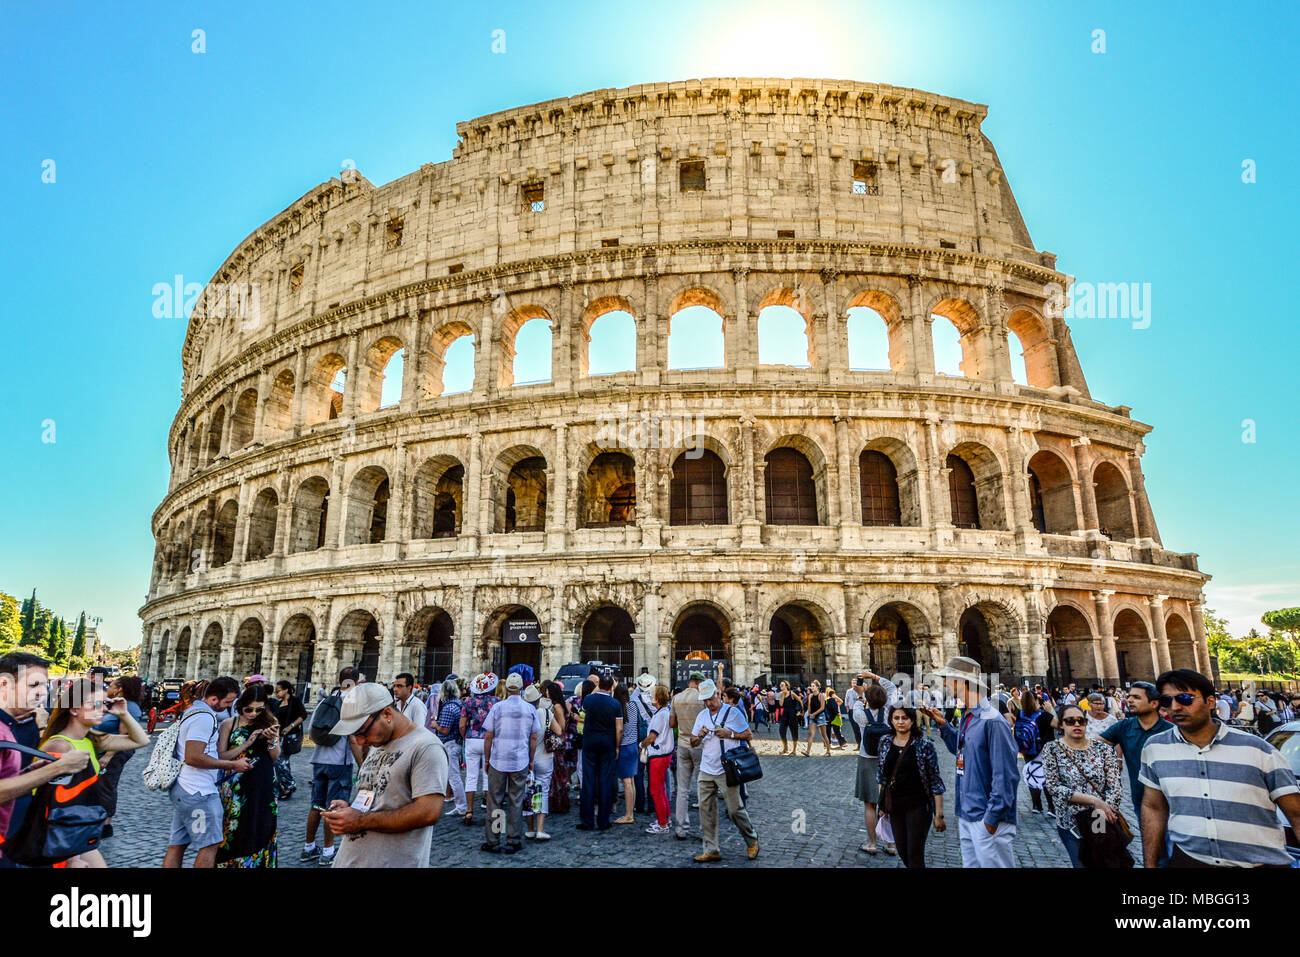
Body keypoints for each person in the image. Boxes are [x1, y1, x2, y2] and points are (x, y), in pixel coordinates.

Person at [1140, 668, 1300, 868]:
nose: (1175, 707)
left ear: (1210, 702)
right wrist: (1150, 865)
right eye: (1167, 701)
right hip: (1190, 861)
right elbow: (1153, 808)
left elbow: (1296, 813)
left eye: (1185, 698)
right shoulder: (1155, 748)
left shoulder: (1257, 748)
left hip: (1260, 864)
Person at [322, 682, 449, 868]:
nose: (359, 741)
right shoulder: (379, 742)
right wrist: (351, 808)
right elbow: (382, 799)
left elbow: (428, 812)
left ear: (387, 714)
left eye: (362, 732)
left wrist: (360, 820)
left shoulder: (426, 747)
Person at [33, 678, 149, 867]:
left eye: (104, 704)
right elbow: (52, 802)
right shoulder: (60, 745)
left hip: (77, 833)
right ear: (74, 709)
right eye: (95, 704)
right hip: (58, 837)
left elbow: (141, 741)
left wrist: (124, 714)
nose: (103, 709)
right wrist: (72, 857)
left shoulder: (91, 739)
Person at [923, 656, 1019, 868]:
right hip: (967, 812)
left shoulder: (993, 720)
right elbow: (960, 753)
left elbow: (1006, 775)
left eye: (947, 678)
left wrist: (991, 820)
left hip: (986, 816)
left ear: (961, 681)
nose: (945, 683)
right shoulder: (968, 716)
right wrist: (944, 726)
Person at [0, 654, 93, 863]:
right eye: (34, 685)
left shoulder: (16, 723)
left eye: (45, 685)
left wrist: (33, 771)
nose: (42, 693)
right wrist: (56, 769)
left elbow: (6, 776)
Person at [164, 676, 251, 868]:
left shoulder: (191, 711)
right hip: (199, 792)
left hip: (184, 788)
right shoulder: (204, 717)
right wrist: (231, 765)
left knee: (177, 845)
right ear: (214, 699)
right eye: (227, 702)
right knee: (210, 844)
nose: (229, 706)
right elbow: (193, 756)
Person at [1039, 703, 1125, 867]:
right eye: (1070, 721)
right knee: (1081, 864)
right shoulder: (1052, 749)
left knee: (1104, 863)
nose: (1077, 724)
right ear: (1061, 724)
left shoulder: (1103, 749)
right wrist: (1093, 801)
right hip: (1071, 822)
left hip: (1100, 817)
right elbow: (1053, 786)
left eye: (1081, 720)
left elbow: (1115, 785)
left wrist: (1105, 808)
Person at [689, 679, 759, 862]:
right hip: (706, 769)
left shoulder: (733, 712)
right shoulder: (702, 716)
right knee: (706, 810)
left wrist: (731, 734)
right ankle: (711, 848)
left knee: (735, 810)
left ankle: (752, 839)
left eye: (710, 699)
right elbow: (693, 742)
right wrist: (700, 736)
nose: (708, 703)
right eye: (704, 700)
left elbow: (748, 735)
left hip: (726, 769)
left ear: (717, 694)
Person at [1099, 680, 1171, 853]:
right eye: (1129, 696)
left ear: (1154, 703)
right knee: (1155, 850)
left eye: (1136, 697)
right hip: (1143, 800)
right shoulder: (1124, 727)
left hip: (1173, 800)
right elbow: (1094, 746)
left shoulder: (1171, 730)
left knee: (1176, 850)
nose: (1129, 700)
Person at [215, 683, 281, 867]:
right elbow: (222, 755)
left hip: (263, 783)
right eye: (248, 709)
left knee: (261, 825)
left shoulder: (270, 722)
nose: (253, 714)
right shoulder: (230, 723)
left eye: (259, 710)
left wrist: (272, 740)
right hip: (235, 783)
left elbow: (275, 756)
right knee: (234, 826)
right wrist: (247, 744)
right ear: (241, 705)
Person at [301, 667, 362, 867]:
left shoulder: (325, 701)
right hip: (340, 762)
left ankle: (308, 847)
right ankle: (328, 851)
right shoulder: (350, 703)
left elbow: (312, 731)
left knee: (316, 805)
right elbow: (353, 739)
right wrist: (362, 764)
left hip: (319, 760)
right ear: (356, 682)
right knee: (334, 806)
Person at [877, 705, 946, 868]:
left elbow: (935, 780)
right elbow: (881, 775)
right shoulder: (885, 741)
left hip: (918, 806)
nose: (900, 722)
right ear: (891, 720)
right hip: (895, 806)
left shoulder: (924, 745)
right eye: (896, 718)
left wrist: (939, 815)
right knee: (902, 850)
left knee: (914, 853)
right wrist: (882, 803)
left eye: (904, 718)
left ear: (912, 720)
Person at [480, 672, 542, 854]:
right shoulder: (530, 709)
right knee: (516, 800)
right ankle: (513, 839)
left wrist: (487, 758)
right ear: (522, 688)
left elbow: (488, 736)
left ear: (507, 688)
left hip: (498, 759)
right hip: (520, 759)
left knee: (495, 800)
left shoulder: (497, 708)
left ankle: (493, 840)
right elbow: (533, 737)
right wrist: (531, 760)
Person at [91, 674, 145, 837]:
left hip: (114, 752)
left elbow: (124, 734)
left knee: (107, 785)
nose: (109, 688)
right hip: (109, 749)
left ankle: (106, 825)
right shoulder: (122, 704)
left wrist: (108, 756)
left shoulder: (127, 707)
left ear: (119, 689)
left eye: (112, 686)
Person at [851, 671, 898, 854]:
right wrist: (873, 676)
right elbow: (892, 687)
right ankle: (891, 844)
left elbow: (857, 699)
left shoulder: (860, 714)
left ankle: (871, 843)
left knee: (870, 804)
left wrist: (860, 692)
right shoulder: (889, 710)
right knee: (888, 800)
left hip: (867, 760)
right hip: (888, 760)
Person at [578, 672, 623, 831]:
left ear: (599, 686)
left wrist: (596, 688)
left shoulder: (590, 699)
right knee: (605, 781)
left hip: (590, 742)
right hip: (608, 743)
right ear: (611, 687)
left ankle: (587, 820)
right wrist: (617, 746)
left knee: (588, 781)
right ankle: (604, 820)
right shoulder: (615, 704)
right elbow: (619, 729)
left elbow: (583, 707)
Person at [524, 681, 565, 840]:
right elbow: (559, 730)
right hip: (545, 757)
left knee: (528, 792)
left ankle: (529, 828)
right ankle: (541, 829)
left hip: (527, 758)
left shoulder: (523, 713)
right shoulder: (545, 712)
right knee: (543, 791)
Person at [670, 670, 707, 838]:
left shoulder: (676, 698)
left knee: (683, 790)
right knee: (703, 789)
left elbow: (672, 723)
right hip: (699, 745)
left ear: (689, 681)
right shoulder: (702, 698)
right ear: (699, 683)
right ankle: (703, 829)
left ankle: (681, 829)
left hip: (683, 745)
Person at [459, 672, 498, 825]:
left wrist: (465, 736)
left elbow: (462, 724)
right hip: (490, 740)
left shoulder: (468, 702)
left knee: (471, 776)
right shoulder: (496, 701)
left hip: (472, 739)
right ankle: (489, 811)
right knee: (488, 776)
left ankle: (469, 811)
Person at [432, 678, 468, 821]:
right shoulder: (458, 704)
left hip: (450, 743)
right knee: (454, 776)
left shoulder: (448, 707)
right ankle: (461, 805)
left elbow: (445, 730)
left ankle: (462, 806)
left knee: (454, 777)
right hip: (456, 742)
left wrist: (435, 725)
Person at [640, 684, 674, 834]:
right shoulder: (663, 712)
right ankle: (665, 818)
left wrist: (642, 744)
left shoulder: (661, 715)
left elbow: (653, 736)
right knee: (661, 789)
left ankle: (662, 824)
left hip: (659, 755)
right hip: (663, 754)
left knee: (656, 790)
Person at [271, 680, 306, 800]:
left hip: (290, 736)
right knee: (278, 762)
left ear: (286, 690)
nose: (276, 693)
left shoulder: (294, 701)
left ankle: (289, 785)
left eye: (278, 691)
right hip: (279, 736)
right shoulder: (278, 703)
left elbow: (303, 715)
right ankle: (284, 786)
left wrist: (290, 726)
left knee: (281, 761)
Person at [613, 682, 639, 824]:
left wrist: (616, 746)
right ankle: (630, 811)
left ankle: (629, 815)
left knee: (627, 782)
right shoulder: (634, 705)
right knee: (631, 781)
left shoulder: (619, 708)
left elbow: (619, 730)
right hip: (633, 744)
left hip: (624, 746)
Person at [803, 680, 831, 756]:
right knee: (810, 734)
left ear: (818, 687)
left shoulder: (821, 695)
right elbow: (809, 706)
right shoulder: (810, 696)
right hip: (813, 716)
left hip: (820, 716)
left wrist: (814, 714)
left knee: (824, 735)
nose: (812, 688)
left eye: (813, 686)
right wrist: (809, 714)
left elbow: (822, 707)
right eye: (811, 686)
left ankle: (828, 751)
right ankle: (807, 752)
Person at [777, 680, 802, 754]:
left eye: (782, 685)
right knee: (781, 731)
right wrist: (782, 695)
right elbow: (781, 705)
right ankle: (785, 748)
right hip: (785, 714)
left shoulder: (792, 693)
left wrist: (800, 710)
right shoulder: (781, 694)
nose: (780, 686)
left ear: (786, 686)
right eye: (780, 685)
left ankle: (794, 750)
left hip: (792, 715)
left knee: (794, 732)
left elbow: (799, 700)